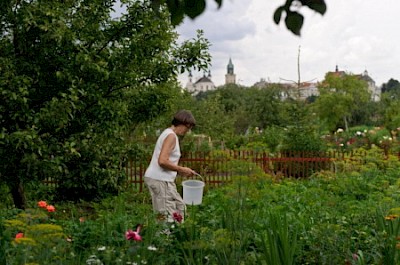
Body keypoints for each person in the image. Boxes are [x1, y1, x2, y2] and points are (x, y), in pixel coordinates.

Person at [144, 110, 197, 222]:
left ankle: (178, 236)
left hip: (164, 180)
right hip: (160, 180)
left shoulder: (168, 133)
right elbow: (162, 161)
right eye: (188, 128)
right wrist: (181, 169)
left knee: (180, 208)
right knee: (165, 218)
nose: (188, 131)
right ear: (182, 123)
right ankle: (164, 237)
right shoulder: (171, 136)